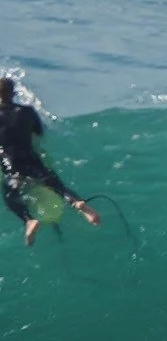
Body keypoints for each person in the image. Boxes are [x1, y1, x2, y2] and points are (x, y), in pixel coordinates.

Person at [0, 77, 101, 246]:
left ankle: (29, 220)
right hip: (32, 156)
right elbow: (39, 133)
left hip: (11, 162)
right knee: (55, 183)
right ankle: (77, 202)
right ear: (14, 94)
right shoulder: (28, 112)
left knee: (11, 193)